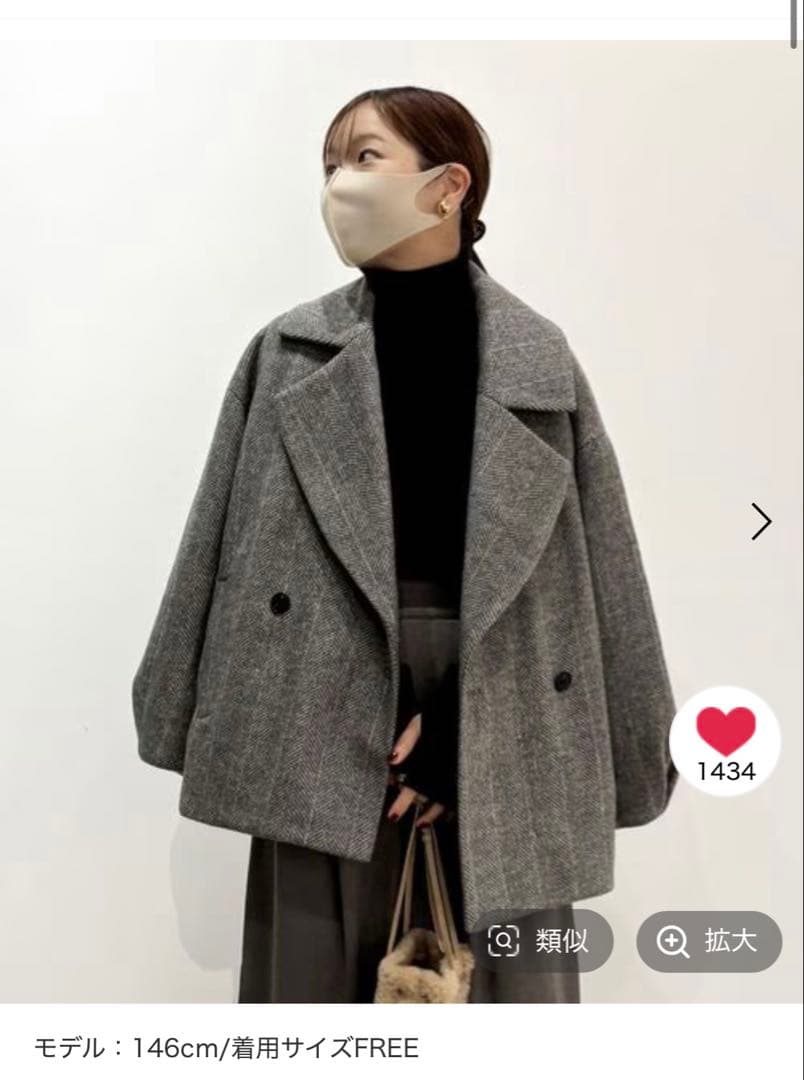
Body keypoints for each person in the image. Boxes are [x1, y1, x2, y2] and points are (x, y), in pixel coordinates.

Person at [132, 84, 677, 1006]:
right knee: (311, 988)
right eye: (329, 164)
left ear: (448, 186)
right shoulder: (291, 349)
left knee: (512, 990)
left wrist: (474, 726)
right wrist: (179, 702)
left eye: (364, 157)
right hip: (318, 693)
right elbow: (221, 535)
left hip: (505, 688)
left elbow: (599, 566)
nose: (339, 183)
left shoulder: (537, 357)